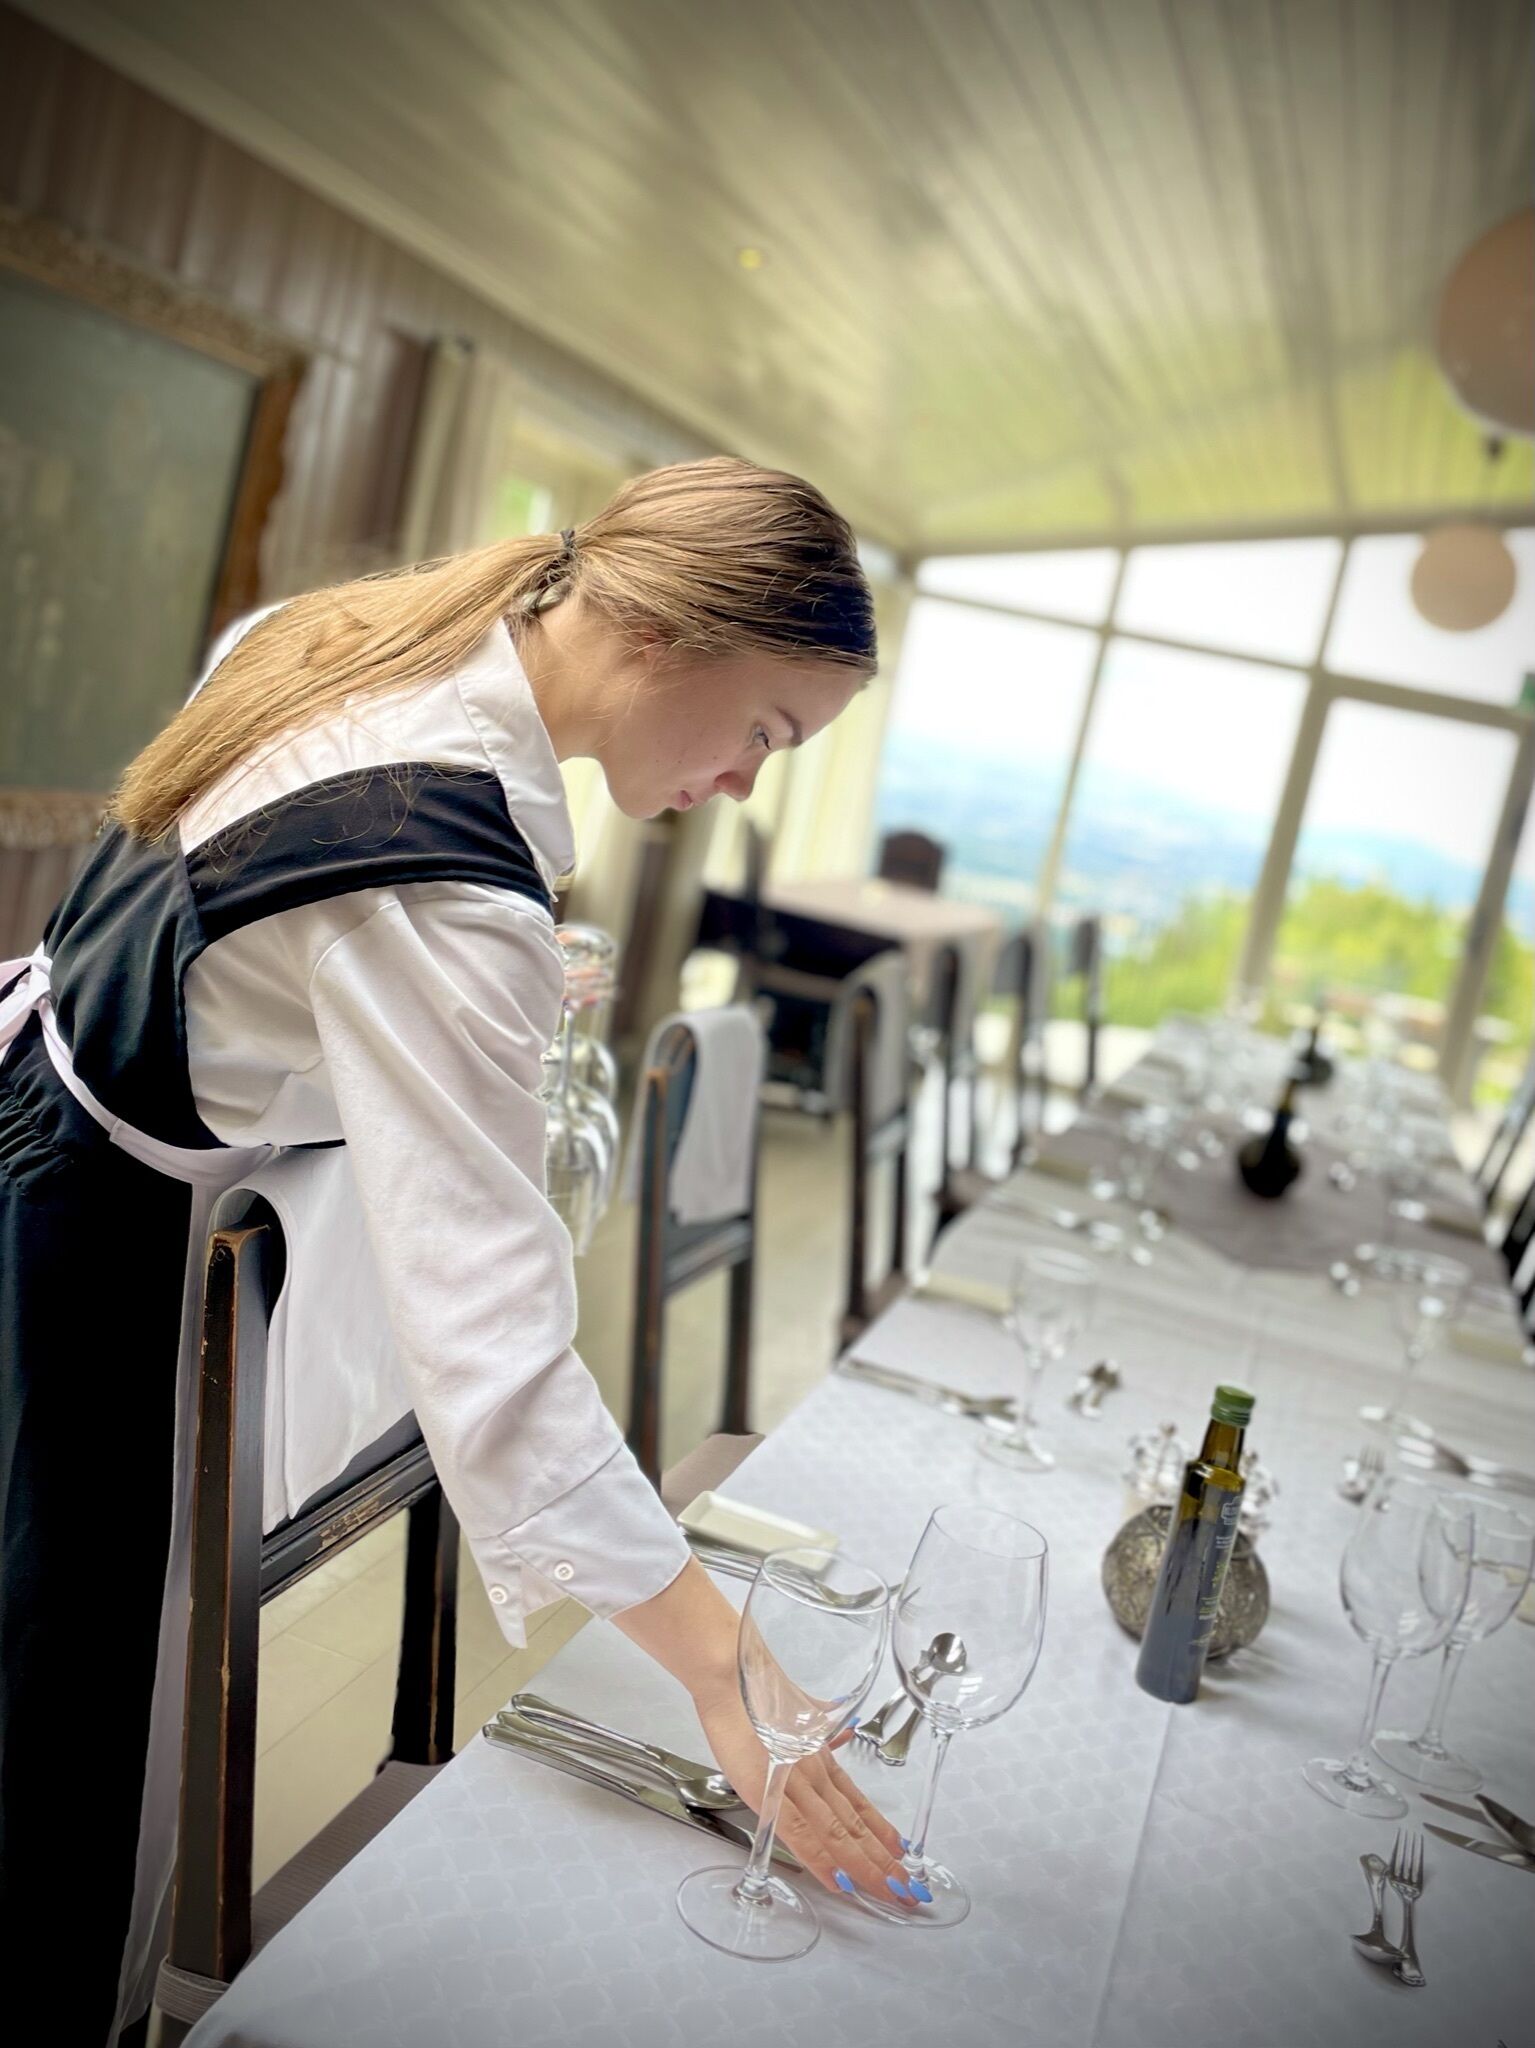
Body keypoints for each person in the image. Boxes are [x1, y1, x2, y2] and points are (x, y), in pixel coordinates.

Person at [0, 456, 922, 2045]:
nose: (748, 783)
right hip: (96, 1249)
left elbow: (242, 942)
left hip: (48, 1117)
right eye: (765, 733)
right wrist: (720, 1672)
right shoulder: (447, 880)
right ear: (665, 638)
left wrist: (436, 996)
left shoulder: (348, 636)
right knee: (64, 1753)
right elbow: (497, 1356)